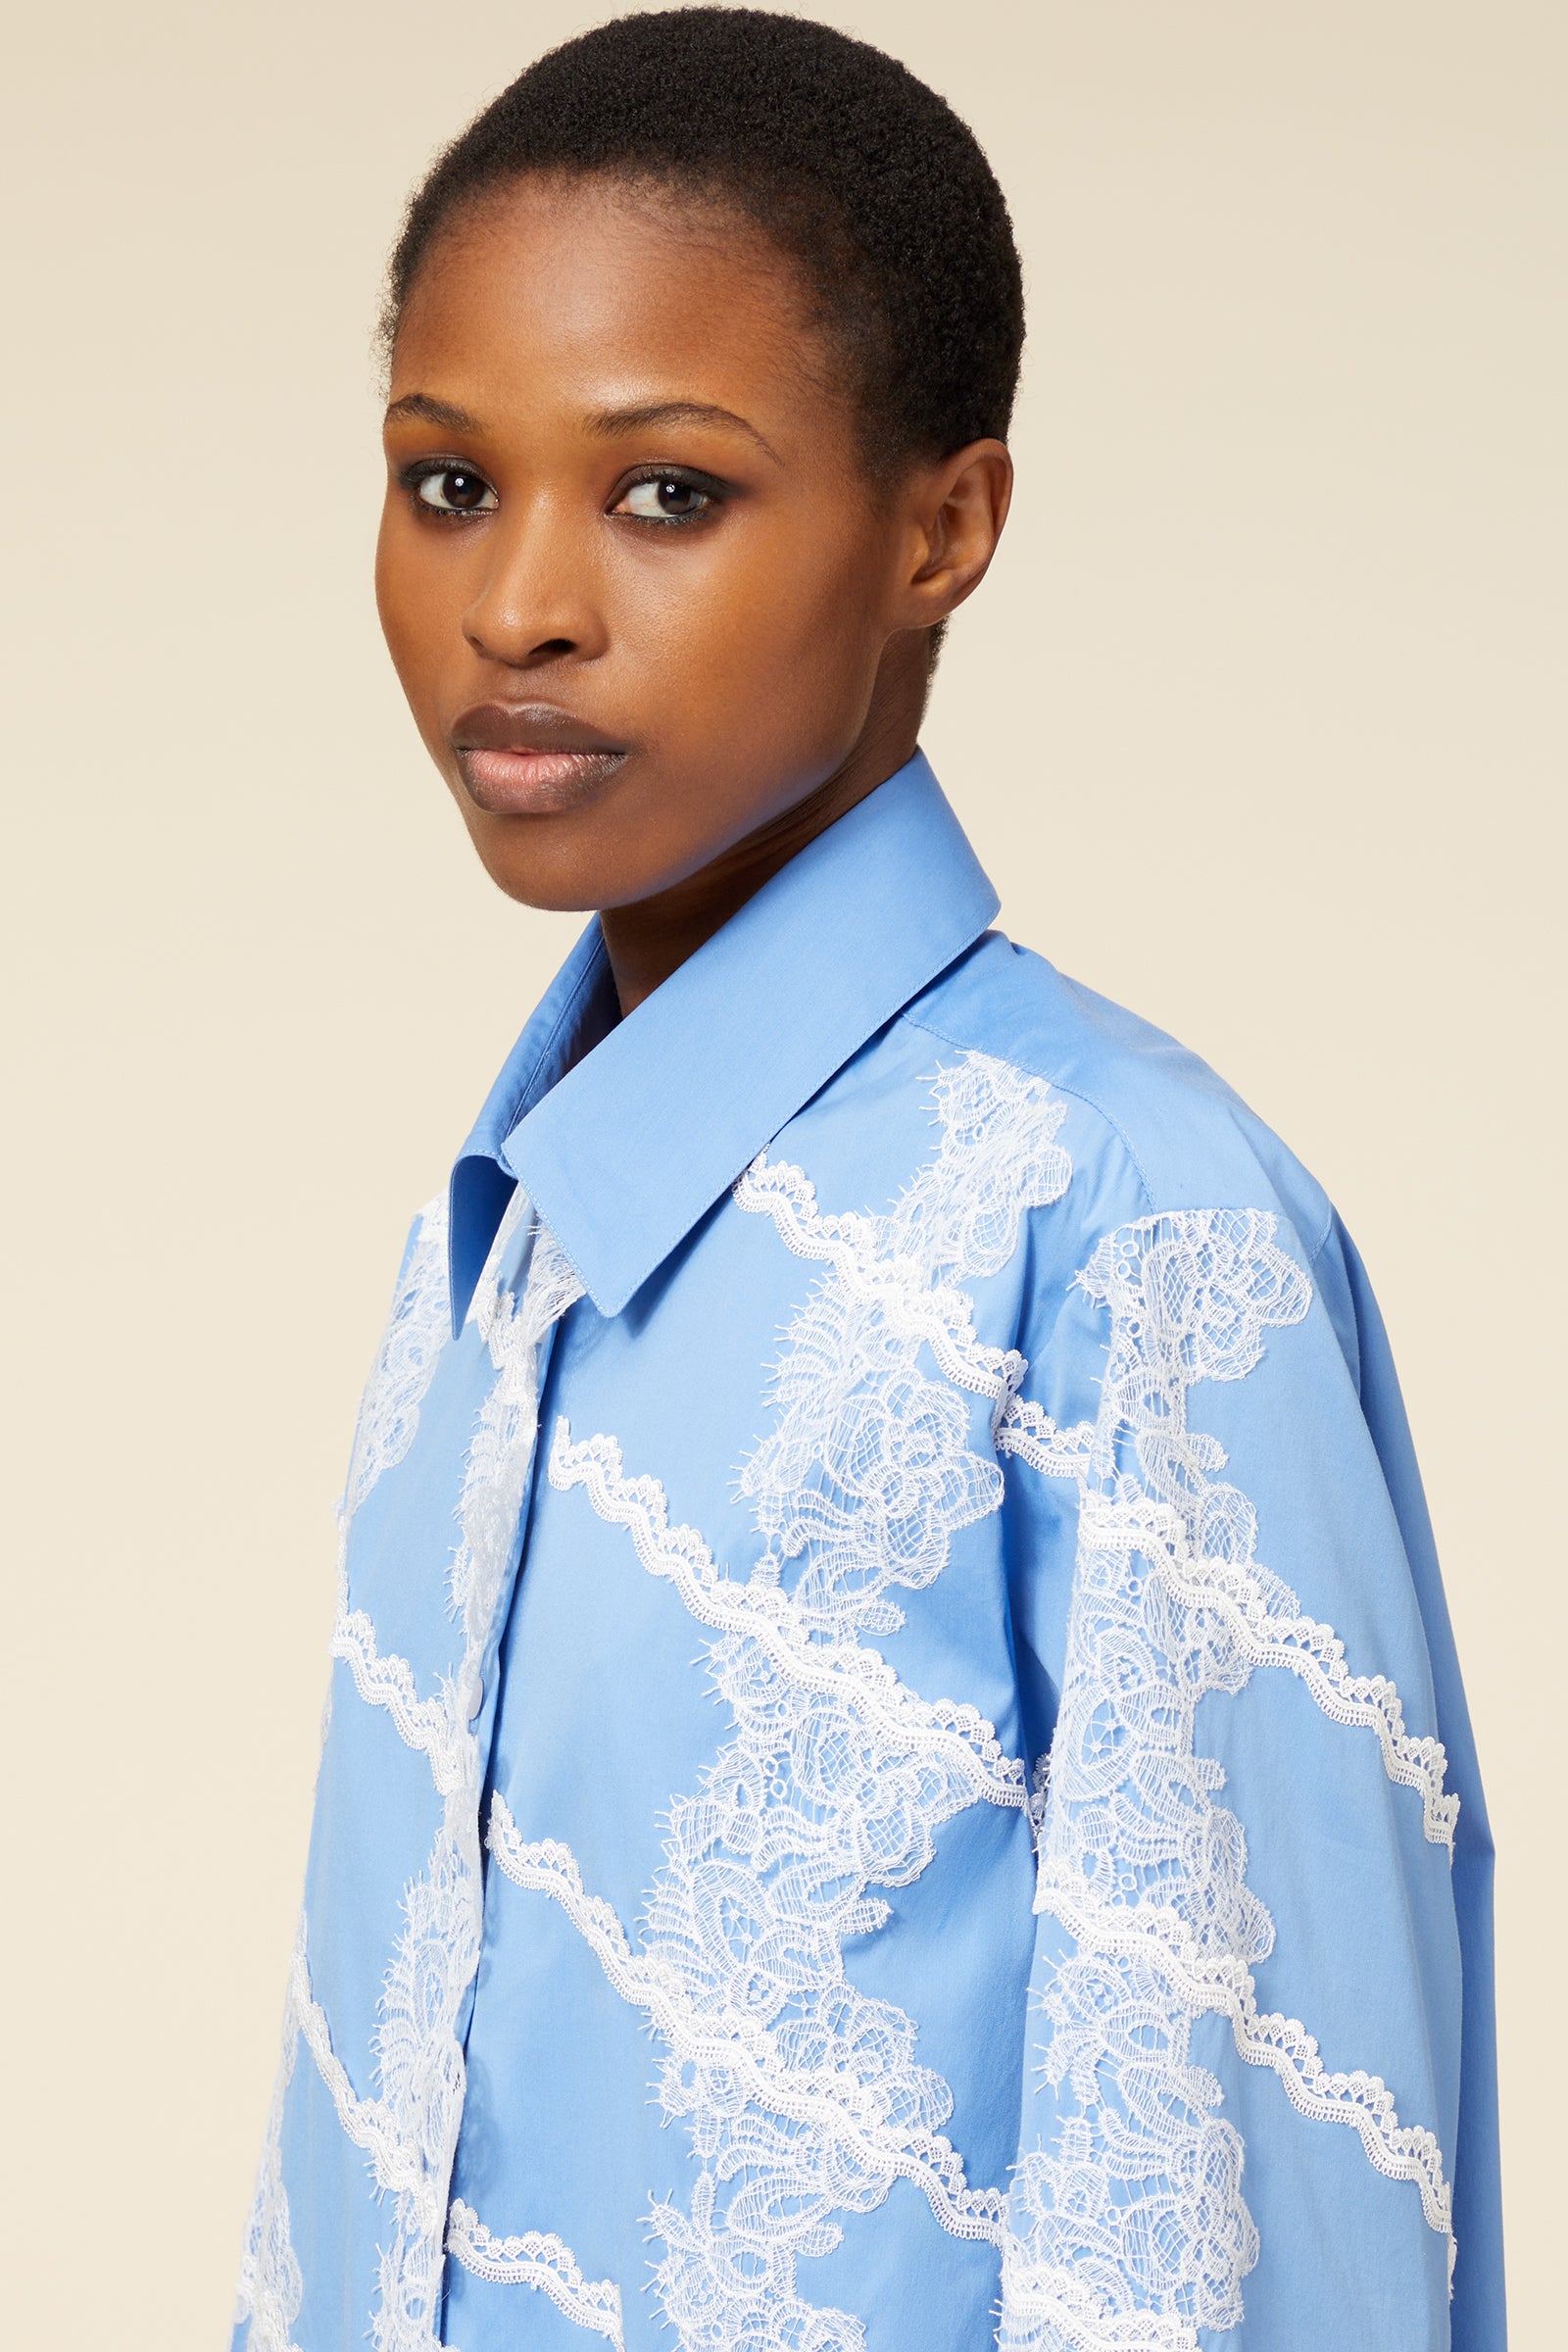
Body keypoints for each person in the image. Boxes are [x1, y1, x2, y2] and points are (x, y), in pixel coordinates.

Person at [231, 13, 1502, 2351]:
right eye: (442, 484)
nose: (515, 606)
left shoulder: (1127, 1230)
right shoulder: (490, 1253)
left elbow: (1252, 2222)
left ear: (943, 525)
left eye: (665, 494)